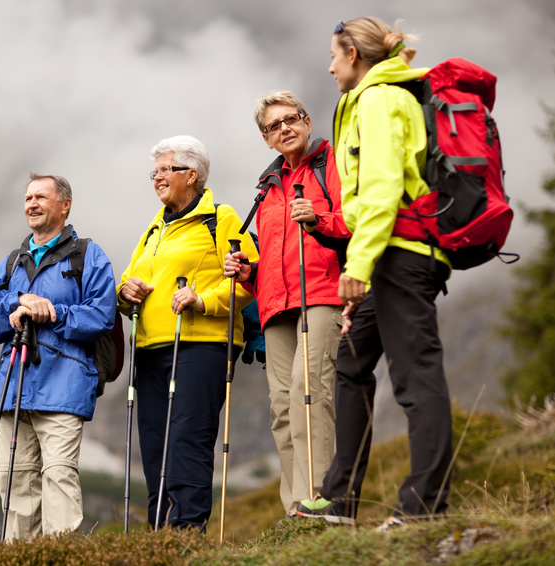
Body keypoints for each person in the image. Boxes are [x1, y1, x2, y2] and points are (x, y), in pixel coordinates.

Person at [296, 17, 453, 530]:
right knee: (352, 364)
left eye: (335, 57)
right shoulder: (375, 98)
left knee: (414, 375)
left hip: (401, 253)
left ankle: (424, 506)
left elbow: (383, 189)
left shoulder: (380, 99)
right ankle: (339, 500)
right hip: (386, 252)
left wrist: (357, 269)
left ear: (354, 56)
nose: (330, 66)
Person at [118, 135, 258, 530]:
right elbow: (131, 279)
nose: (157, 178)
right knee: (155, 446)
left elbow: (249, 278)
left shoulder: (221, 218)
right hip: (149, 348)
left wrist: (203, 299)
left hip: (201, 345)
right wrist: (125, 292)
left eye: (165, 170)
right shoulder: (153, 229)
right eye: (155, 171)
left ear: (191, 175)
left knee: (187, 439)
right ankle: (161, 537)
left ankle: (186, 534)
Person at [223, 91, 350, 519]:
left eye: (290, 119)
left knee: (308, 391)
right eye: (274, 126)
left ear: (307, 121)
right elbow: (275, 261)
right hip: (276, 305)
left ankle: (321, 498)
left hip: (324, 293)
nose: (285, 129)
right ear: (266, 138)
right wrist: (248, 275)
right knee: (281, 407)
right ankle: (296, 510)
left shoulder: (331, 163)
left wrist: (318, 219)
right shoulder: (266, 188)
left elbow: (358, 220)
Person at [0, 173, 116, 540]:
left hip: (65, 384)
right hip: (13, 388)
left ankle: (62, 557)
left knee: (58, 476)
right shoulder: (12, 261)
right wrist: (17, 301)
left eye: (41, 197)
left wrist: (53, 312)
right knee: (15, 483)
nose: (32, 204)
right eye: (28, 198)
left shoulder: (88, 254)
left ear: (64, 205)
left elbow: (102, 316)